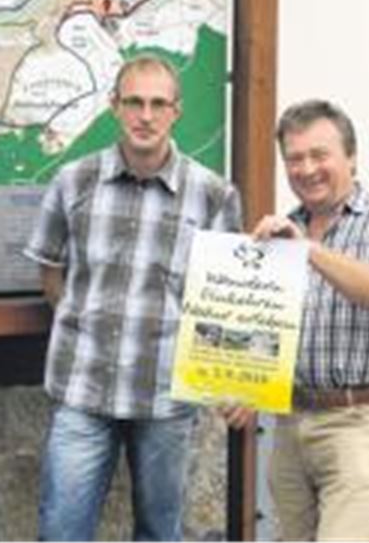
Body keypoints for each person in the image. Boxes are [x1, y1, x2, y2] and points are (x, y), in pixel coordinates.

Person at [24, 55, 243, 541]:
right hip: (83, 391)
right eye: (134, 102)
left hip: (166, 399)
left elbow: (225, 301)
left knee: (159, 534)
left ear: (176, 112)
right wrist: (86, 327)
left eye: (158, 104)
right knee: (60, 531)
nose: (146, 115)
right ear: (114, 107)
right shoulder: (73, 181)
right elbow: (51, 272)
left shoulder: (213, 195)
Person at [229, 99, 369, 541]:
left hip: (362, 423)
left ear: (352, 157)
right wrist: (244, 383)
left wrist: (307, 249)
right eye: (295, 158)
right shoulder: (280, 235)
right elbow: (266, 327)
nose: (307, 168)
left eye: (320, 155)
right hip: (291, 426)